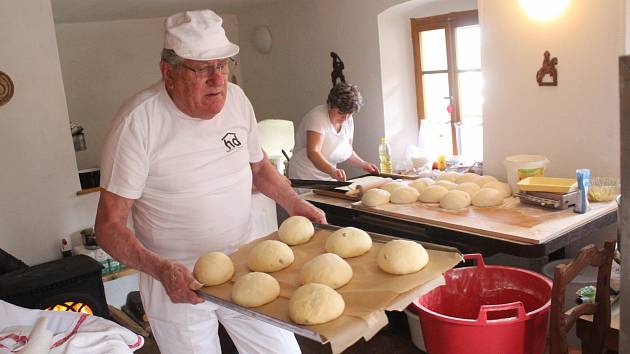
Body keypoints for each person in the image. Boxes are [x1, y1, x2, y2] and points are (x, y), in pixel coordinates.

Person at [94, 9, 325, 354]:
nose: (218, 79)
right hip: (174, 278)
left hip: (246, 263)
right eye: (202, 69)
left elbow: (259, 169)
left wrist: (295, 203)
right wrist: (161, 268)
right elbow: (108, 226)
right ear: (168, 72)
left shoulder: (237, 101)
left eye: (222, 65)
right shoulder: (138, 123)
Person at [289, 82, 378, 182]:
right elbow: (313, 152)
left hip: (328, 177)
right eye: (340, 113)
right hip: (305, 177)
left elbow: (347, 152)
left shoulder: (348, 119)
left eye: (349, 114)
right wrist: (332, 170)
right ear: (330, 105)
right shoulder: (318, 117)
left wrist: (363, 164)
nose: (345, 119)